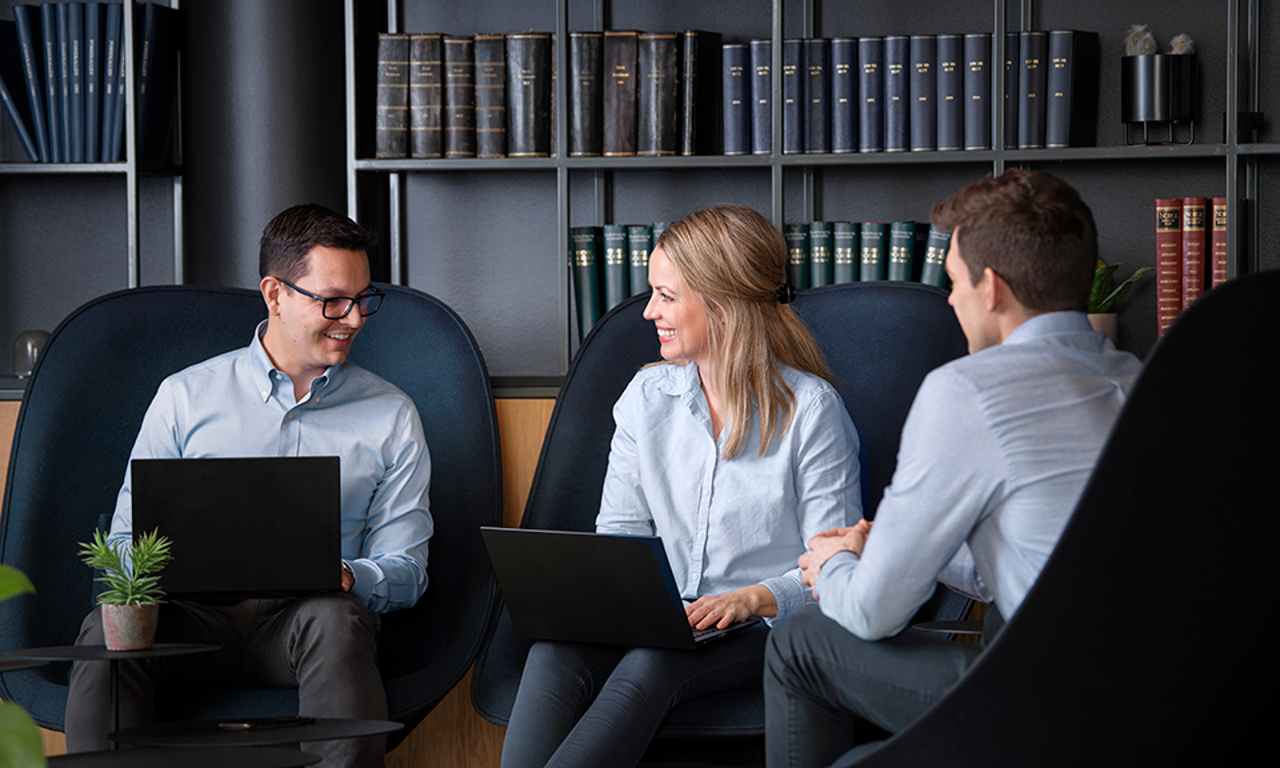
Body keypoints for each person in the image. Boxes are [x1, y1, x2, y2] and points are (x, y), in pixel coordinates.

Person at [763, 170, 1145, 768]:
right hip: (1154, 699)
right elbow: (1028, 554)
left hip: (1053, 713)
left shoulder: (968, 391)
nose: (949, 301)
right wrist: (879, 544)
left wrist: (832, 561)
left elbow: (870, 612)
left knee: (799, 642)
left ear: (990, 288)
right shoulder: (1136, 379)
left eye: (952, 282)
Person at [65, 204, 433, 767]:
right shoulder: (186, 397)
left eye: (364, 300)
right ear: (275, 294)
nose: (354, 318)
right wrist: (161, 568)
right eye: (333, 300)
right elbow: (121, 547)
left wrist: (347, 575)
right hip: (191, 623)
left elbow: (408, 570)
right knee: (107, 630)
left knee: (336, 619)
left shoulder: (392, 414)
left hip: (306, 627)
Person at [500, 205, 862, 768]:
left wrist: (751, 599)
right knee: (554, 650)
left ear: (720, 304)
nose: (649, 312)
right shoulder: (646, 399)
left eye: (666, 296)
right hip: (663, 616)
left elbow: (835, 571)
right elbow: (620, 534)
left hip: (764, 629)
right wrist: (612, 594)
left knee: (652, 662)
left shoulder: (812, 411)